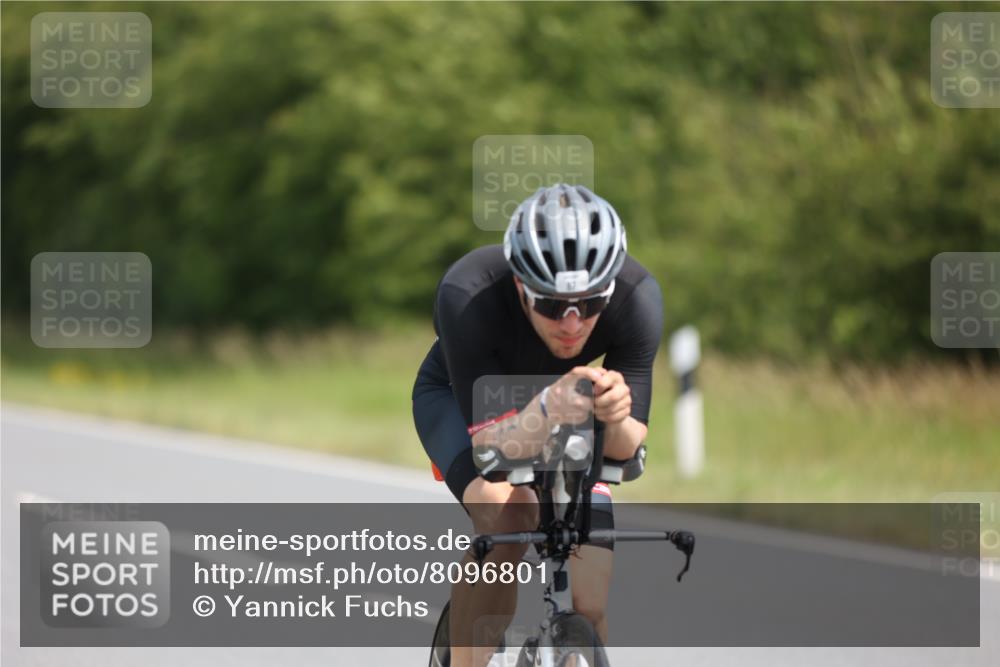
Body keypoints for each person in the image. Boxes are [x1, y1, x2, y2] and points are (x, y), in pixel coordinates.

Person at [412, 183, 664, 667]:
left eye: (589, 305)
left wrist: (615, 416)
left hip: (568, 408)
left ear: (610, 290)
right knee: (512, 514)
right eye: (551, 305)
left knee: (589, 599)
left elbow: (625, 452)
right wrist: (547, 407)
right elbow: (493, 451)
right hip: (464, 402)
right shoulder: (467, 293)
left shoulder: (638, 299)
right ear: (519, 286)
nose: (571, 324)